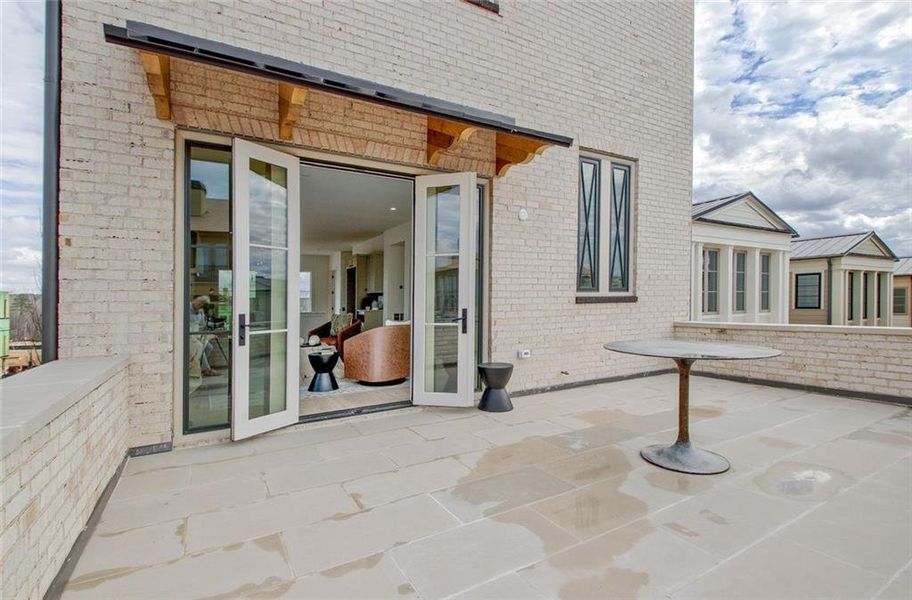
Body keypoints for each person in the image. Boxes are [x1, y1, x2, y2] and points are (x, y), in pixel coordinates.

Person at [190, 295, 219, 377]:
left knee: (209, 347)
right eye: (200, 306)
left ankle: (197, 366)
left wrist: (216, 325)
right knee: (199, 347)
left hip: (197, 334)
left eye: (202, 307)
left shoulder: (200, 311)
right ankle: (206, 369)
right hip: (189, 335)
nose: (199, 308)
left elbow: (203, 324)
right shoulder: (187, 308)